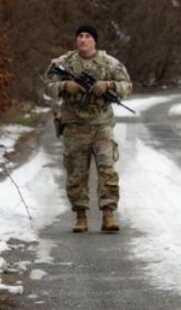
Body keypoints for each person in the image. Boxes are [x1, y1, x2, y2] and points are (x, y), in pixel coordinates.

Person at [45, 24, 132, 233]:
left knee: (107, 170)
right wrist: (65, 86)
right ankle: (81, 216)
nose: (83, 40)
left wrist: (108, 86)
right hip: (75, 126)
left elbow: (127, 86)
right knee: (77, 173)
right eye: (80, 36)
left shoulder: (109, 62)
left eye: (87, 36)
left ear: (94, 41)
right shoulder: (64, 63)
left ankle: (108, 214)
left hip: (101, 125)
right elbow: (48, 85)